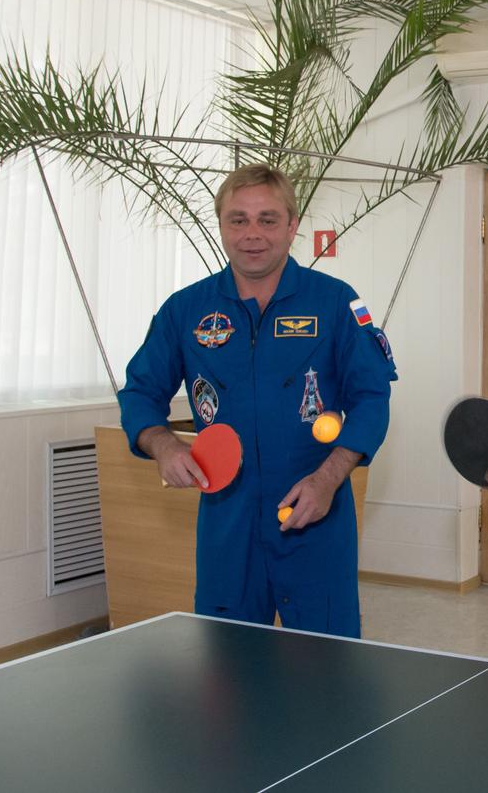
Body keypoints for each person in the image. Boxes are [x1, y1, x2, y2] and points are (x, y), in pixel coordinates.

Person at [117, 163, 396, 638]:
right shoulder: (185, 310)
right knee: (228, 672)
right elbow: (140, 393)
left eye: (267, 219)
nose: (252, 234)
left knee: (325, 670)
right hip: (227, 523)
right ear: (221, 225)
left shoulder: (335, 303)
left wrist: (329, 479)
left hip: (315, 516)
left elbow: (371, 397)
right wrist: (164, 446)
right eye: (238, 219)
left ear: (291, 226)